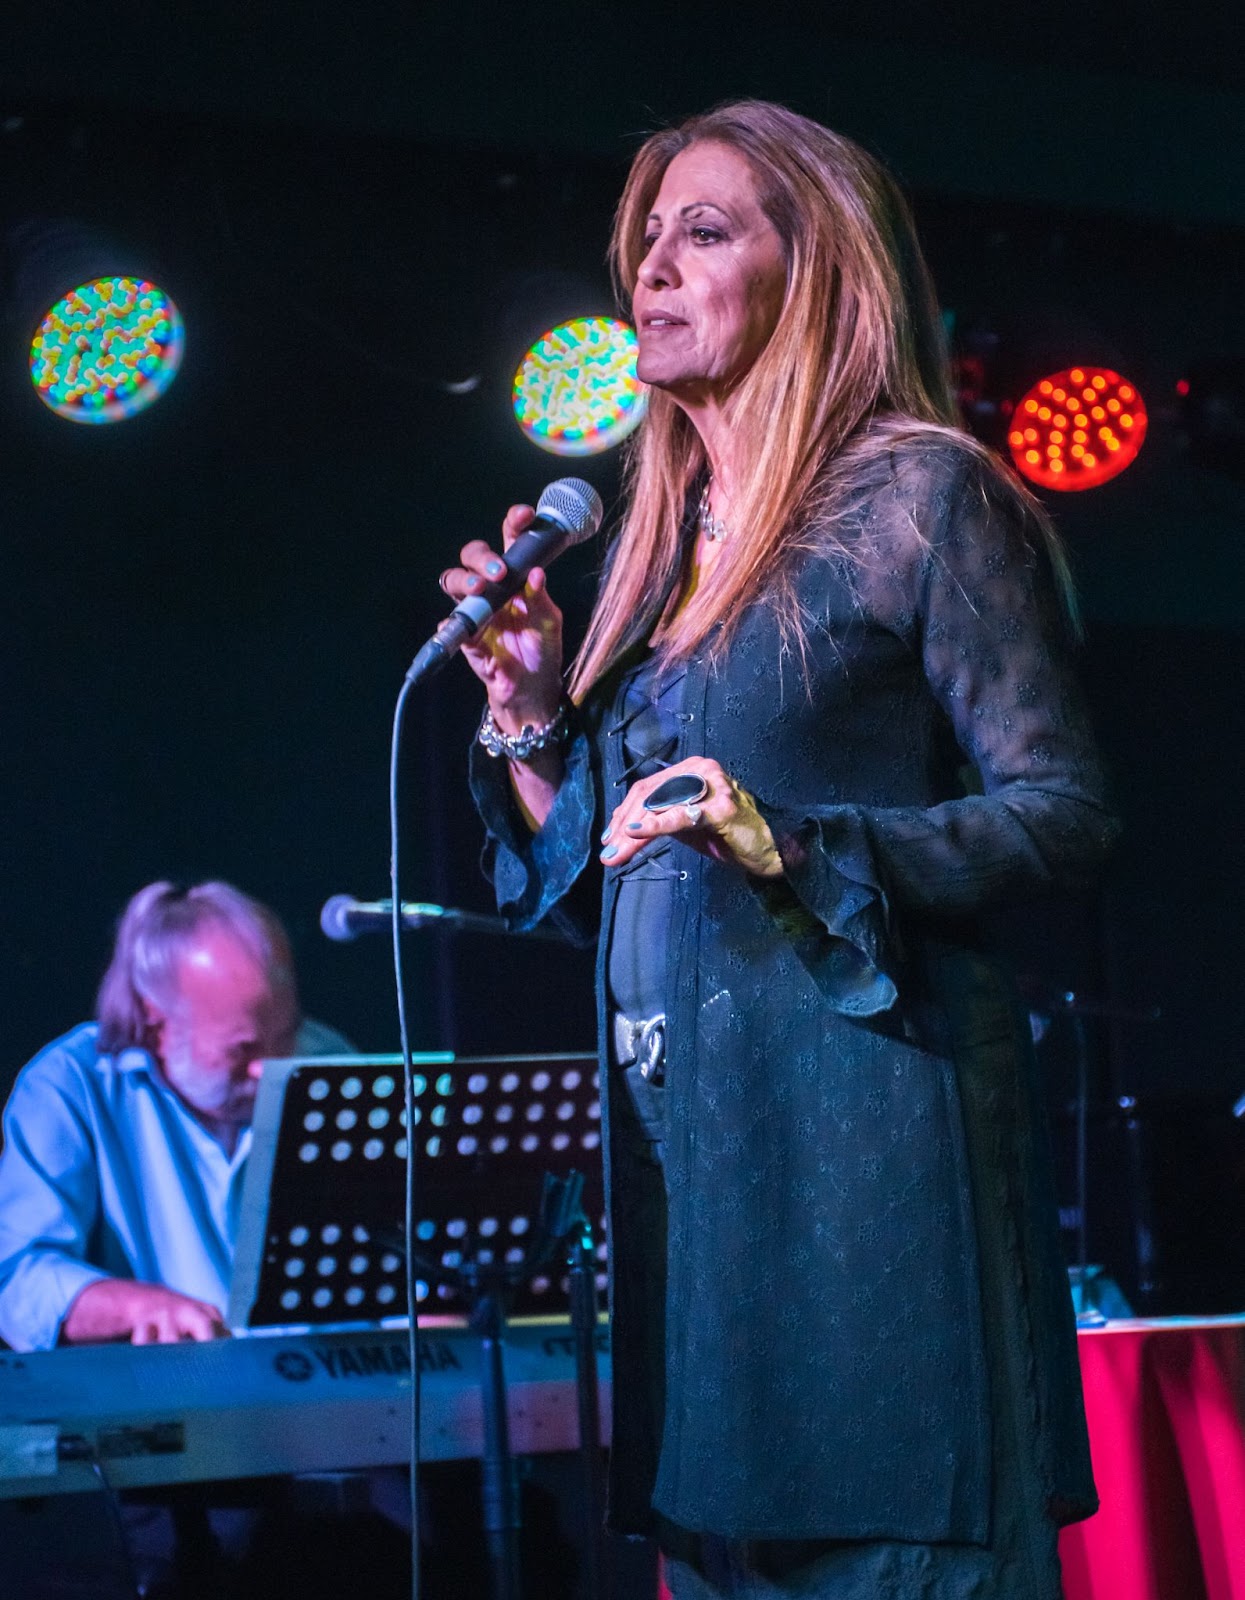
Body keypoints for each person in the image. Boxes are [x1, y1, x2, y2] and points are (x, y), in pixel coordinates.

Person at [442, 101, 1120, 1598]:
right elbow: (600, 893)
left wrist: (797, 841)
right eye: (643, 244)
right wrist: (535, 717)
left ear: (808, 270)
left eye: (702, 232)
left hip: (873, 1169)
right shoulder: (647, 550)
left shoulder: (917, 495)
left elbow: (1062, 810)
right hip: (708, 1187)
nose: (651, 274)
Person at [0, 879, 352, 1351]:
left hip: (327, 1403)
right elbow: (16, 1280)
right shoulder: (69, 1087)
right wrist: (138, 1306)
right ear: (156, 1021)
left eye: (285, 1034)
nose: (273, 1069)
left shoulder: (327, 1062)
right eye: (243, 1048)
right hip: (161, 1406)